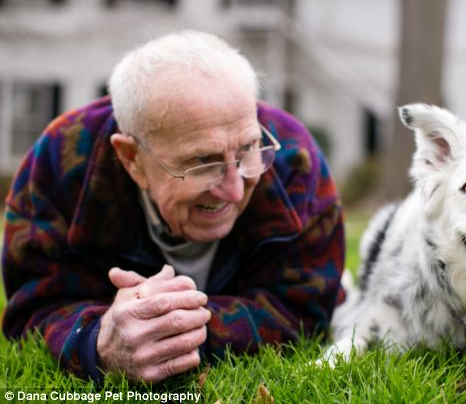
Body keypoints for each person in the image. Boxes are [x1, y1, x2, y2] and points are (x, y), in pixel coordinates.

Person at [1, 30, 345, 383]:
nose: (233, 189)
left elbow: (305, 305)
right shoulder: (61, 159)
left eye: (248, 150)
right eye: (203, 162)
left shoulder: (293, 157)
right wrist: (98, 339)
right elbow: (33, 306)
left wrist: (173, 324)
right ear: (132, 158)